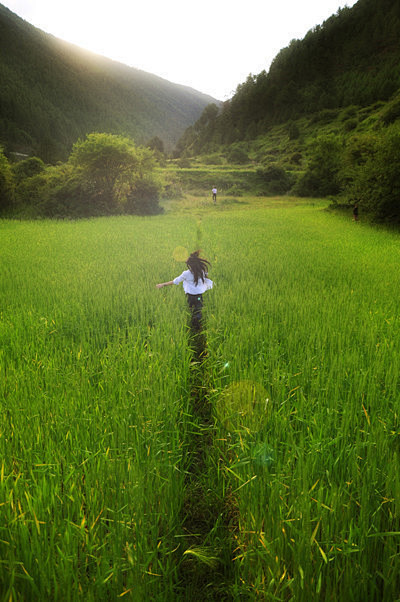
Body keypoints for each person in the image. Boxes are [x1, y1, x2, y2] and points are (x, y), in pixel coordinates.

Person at [156, 250, 213, 329]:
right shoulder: (202, 271)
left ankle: (192, 324)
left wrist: (162, 284)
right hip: (199, 295)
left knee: (190, 309)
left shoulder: (186, 273)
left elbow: (175, 281)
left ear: (190, 265)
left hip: (190, 296)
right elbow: (206, 278)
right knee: (198, 309)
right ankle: (198, 325)